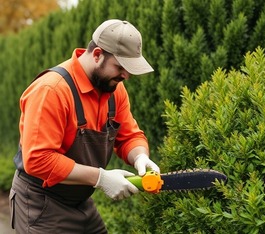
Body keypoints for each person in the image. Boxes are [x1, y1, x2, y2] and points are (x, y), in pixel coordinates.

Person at [9, 19, 160, 234]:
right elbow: (37, 159)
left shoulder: (115, 89)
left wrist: (140, 157)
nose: (126, 75)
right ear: (97, 55)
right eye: (120, 67)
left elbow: (129, 136)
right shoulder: (52, 91)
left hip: (79, 200)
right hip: (40, 202)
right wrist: (101, 178)